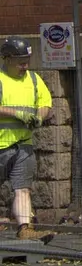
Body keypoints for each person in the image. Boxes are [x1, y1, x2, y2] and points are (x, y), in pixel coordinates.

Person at [0, 38, 53, 243]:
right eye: (20, 61)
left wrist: (39, 116)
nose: (25, 65)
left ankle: (25, 228)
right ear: (6, 59)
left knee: (22, 188)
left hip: (23, 145)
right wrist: (17, 114)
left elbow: (45, 103)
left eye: (27, 60)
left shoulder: (33, 79)